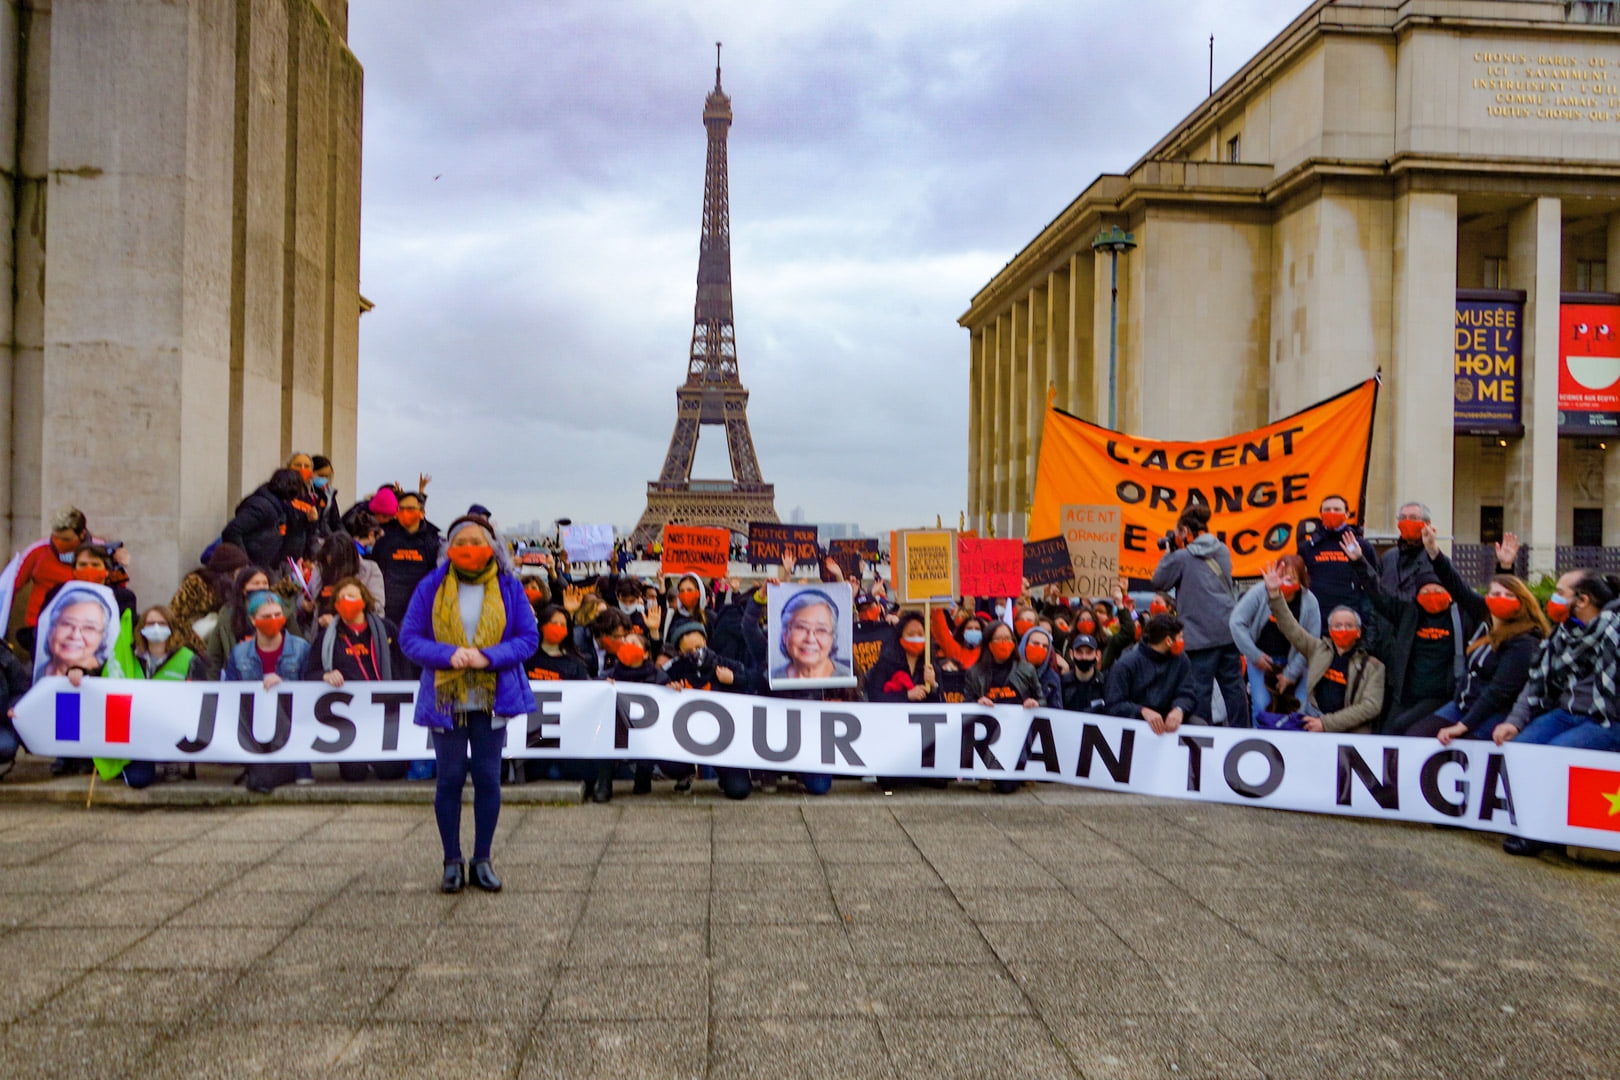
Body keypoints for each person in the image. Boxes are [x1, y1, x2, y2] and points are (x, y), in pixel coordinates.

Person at [400, 515, 538, 894]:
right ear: (449, 548)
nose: (468, 547)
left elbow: (529, 638)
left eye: (476, 541)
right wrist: (449, 654)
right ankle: (451, 860)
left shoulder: (509, 586)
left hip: (492, 696)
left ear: (492, 547)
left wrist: (488, 657)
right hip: (447, 698)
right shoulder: (431, 586)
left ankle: (482, 858)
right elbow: (409, 638)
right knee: (449, 779)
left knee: (488, 779)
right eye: (460, 541)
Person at [1346, 528, 1475, 734]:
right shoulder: (1408, 612)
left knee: (1406, 730)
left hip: (1441, 696)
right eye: (1426, 591)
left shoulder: (1463, 616)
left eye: (1437, 590)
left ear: (1449, 593)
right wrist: (1359, 562)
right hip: (1406, 694)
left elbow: (1480, 603)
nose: (1432, 595)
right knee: (1386, 733)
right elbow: (1379, 595)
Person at [1402, 563, 1547, 744]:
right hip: (1463, 704)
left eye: (1509, 595)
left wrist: (1463, 725)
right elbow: (1458, 588)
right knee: (1416, 736)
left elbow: (1499, 691)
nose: (1501, 599)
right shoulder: (1486, 625)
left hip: (1495, 711)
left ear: (1522, 601)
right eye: (1495, 594)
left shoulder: (1525, 641)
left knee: (1465, 746)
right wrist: (1434, 555)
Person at [1259, 561, 1386, 734]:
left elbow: (1370, 707)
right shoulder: (1317, 649)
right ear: (1330, 630)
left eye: (1348, 626)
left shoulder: (1374, 666)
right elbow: (1290, 627)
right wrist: (1275, 595)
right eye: (1338, 625)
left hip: (1348, 734)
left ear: (1358, 632)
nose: (1342, 629)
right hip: (1312, 723)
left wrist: (1326, 724)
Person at [304, 578, 409, 783]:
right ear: (335, 605)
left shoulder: (386, 629)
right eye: (341, 598)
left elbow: (403, 666)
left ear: (364, 599)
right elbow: (309, 674)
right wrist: (325, 675)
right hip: (349, 716)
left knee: (391, 773)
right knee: (353, 775)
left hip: (385, 711)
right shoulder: (327, 638)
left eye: (351, 596)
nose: (346, 601)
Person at [1150, 504, 1246, 726]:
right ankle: (1241, 732)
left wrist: (1170, 553)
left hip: (1198, 636)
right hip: (1226, 631)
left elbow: (1159, 582)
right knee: (1234, 687)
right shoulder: (1222, 550)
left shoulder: (1182, 557)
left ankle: (1204, 737)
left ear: (1184, 531)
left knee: (1200, 691)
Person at [101, 606, 209, 789]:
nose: (156, 628)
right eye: (151, 623)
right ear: (141, 628)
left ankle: (171, 761)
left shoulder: (189, 658)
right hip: (137, 732)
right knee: (138, 780)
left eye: (162, 623)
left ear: (171, 627)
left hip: (173, 725)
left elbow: (200, 699)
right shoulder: (128, 658)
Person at [223, 591, 314, 793]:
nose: (273, 620)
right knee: (258, 781)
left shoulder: (301, 648)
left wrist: (284, 687)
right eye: (266, 616)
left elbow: (311, 694)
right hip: (255, 735)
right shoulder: (239, 653)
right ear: (252, 620)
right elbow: (230, 695)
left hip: (291, 733)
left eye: (277, 614)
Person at [1229, 554, 1320, 724]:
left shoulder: (1310, 602)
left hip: (1297, 663)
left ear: (1301, 580)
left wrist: (1291, 673)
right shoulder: (1259, 591)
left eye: (1292, 578)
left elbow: (1312, 642)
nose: (1286, 581)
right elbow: (1236, 622)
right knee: (1262, 706)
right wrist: (1254, 655)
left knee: (1298, 709)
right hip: (1262, 660)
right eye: (1282, 576)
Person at [369, 490, 440, 674]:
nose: (405, 512)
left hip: (420, 611)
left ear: (421, 512)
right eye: (401, 509)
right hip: (390, 611)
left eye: (411, 508)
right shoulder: (384, 540)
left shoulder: (433, 541)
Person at [1103, 614, 1195, 735]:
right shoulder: (1126, 664)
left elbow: (1187, 692)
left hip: (1169, 722)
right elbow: (1114, 703)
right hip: (1133, 724)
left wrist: (1179, 709)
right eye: (1180, 637)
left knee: (1199, 724)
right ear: (1168, 641)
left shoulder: (1181, 660)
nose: (1182, 641)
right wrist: (1141, 711)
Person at [14, 507, 89, 652]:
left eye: (66, 539)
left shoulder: (97, 550)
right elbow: (12, 585)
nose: (59, 542)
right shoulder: (38, 550)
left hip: (81, 628)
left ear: (82, 534)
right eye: (55, 537)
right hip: (39, 625)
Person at [1296, 495, 1376, 628]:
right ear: (1320, 514)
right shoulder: (1307, 547)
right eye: (1327, 509)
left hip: (1350, 616)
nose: (1332, 513)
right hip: (1316, 616)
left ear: (1347, 514)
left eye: (1337, 509)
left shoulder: (1362, 545)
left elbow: (1374, 583)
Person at [221, 468, 308, 570]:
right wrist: (245, 563)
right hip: (253, 566)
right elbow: (232, 530)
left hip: (265, 565)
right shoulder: (262, 506)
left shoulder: (279, 506)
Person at [168, 542, 250, 645]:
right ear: (229, 571)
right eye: (241, 570)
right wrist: (197, 645)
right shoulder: (197, 583)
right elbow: (175, 616)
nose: (245, 574)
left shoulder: (241, 587)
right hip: (194, 640)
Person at [36, 584, 115, 682]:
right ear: (50, 629)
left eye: (89, 628)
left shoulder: (113, 680)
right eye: (66, 624)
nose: (75, 636)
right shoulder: (26, 678)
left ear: (102, 636)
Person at [770, 588, 852, 682]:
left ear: (833, 638)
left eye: (821, 630)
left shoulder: (849, 678)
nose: (810, 639)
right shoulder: (769, 681)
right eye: (801, 627)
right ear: (784, 635)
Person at [203, 565, 272, 678]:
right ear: (243, 589)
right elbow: (214, 655)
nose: (261, 587)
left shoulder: (281, 610)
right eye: (256, 583)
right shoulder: (227, 614)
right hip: (237, 677)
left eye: (265, 583)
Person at [1379, 501, 1441, 600]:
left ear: (1427, 524)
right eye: (1402, 518)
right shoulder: (1388, 557)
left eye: (1413, 518)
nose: (1407, 522)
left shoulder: (1436, 560)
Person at [1059, 634, 1107, 713]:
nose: (1084, 657)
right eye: (1079, 652)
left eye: (1089, 652)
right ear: (1071, 654)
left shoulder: (1106, 684)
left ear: (1097, 655)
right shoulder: (1062, 683)